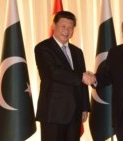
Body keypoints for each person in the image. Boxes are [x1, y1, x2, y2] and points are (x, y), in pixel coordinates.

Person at [34, 11, 92, 141]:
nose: (67, 30)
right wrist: (82, 77)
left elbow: (82, 82)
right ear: (54, 26)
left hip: (75, 112)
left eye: (70, 27)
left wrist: (84, 107)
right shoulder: (43, 48)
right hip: (53, 112)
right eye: (63, 26)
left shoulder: (77, 52)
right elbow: (53, 72)